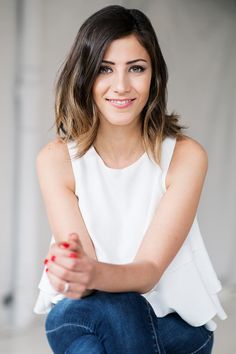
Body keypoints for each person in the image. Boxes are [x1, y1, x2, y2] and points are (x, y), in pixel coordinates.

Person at [34, 5, 227, 354]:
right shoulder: (56, 159)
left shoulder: (186, 157)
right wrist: (78, 270)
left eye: (136, 68)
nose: (121, 86)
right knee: (108, 313)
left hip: (176, 327)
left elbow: (148, 271)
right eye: (105, 69)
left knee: (106, 329)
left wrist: (89, 272)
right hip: (81, 313)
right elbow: (85, 282)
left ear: (154, 76)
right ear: (85, 76)